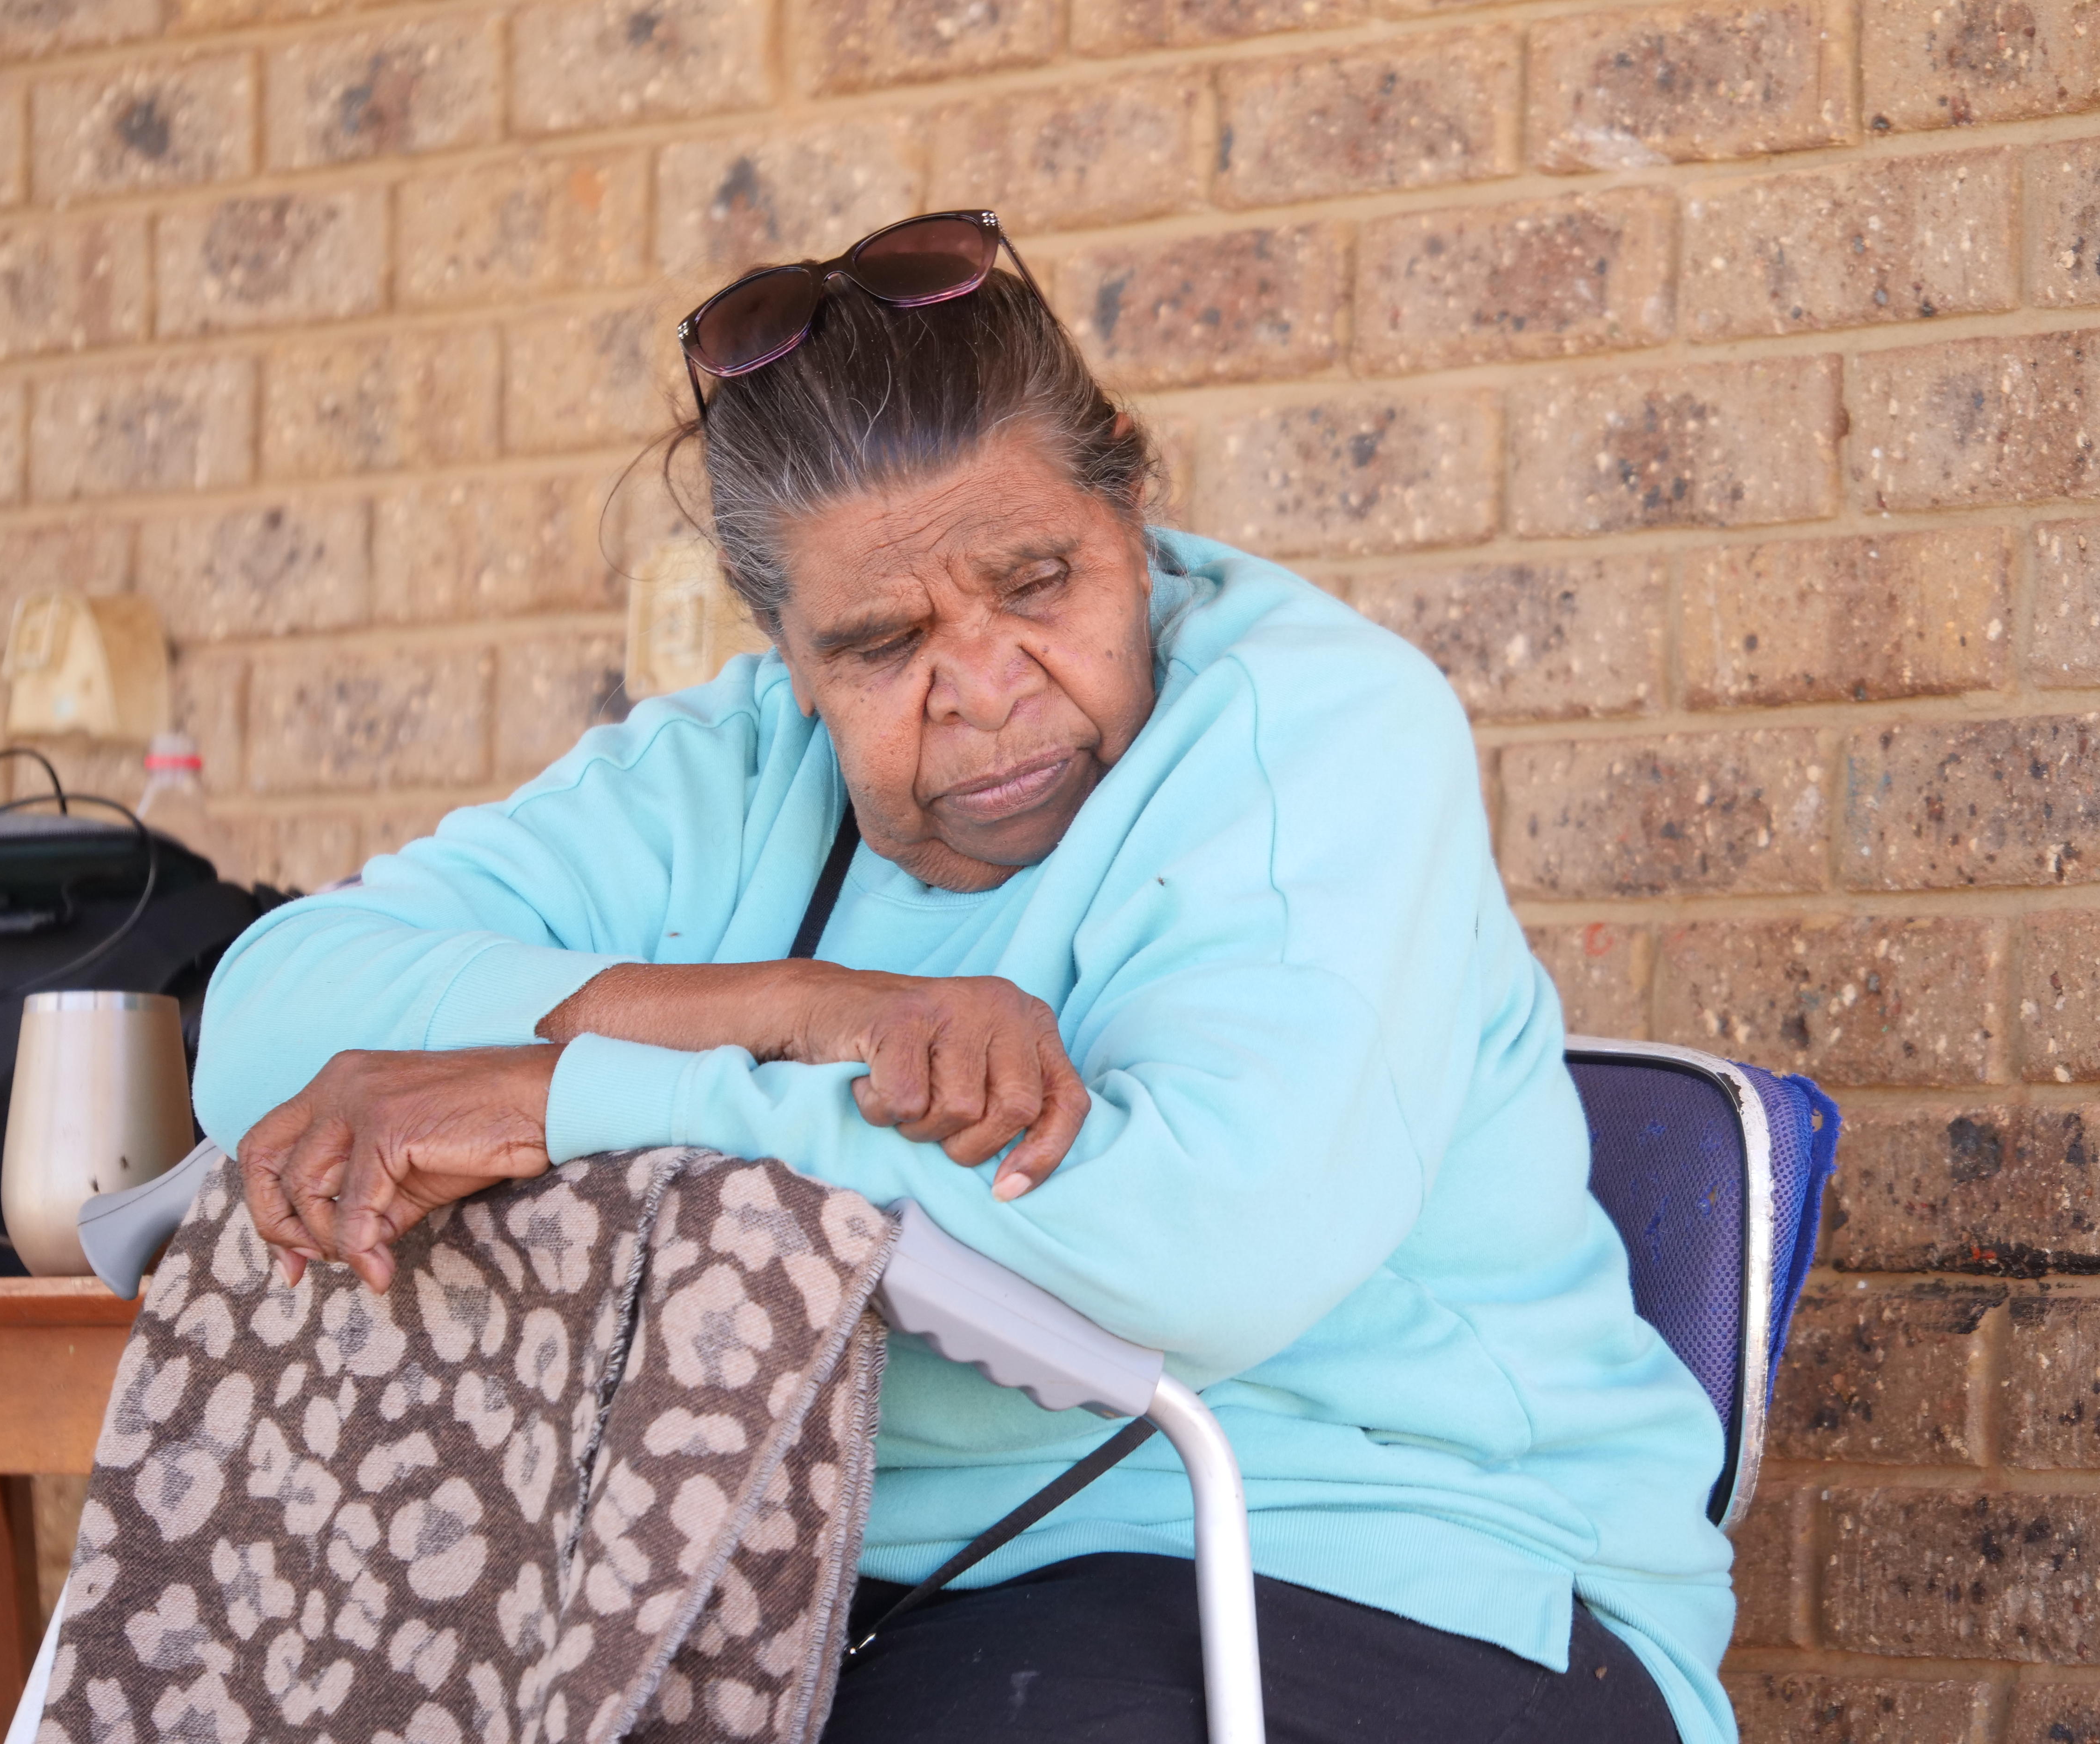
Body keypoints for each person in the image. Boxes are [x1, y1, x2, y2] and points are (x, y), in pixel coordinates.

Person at [191, 209, 1734, 1744]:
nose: (987, 689)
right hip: (806, 1578)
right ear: (782, 646)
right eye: (881, 643)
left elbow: (1197, 1253)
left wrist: (565, 1097)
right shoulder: (727, 772)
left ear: (1133, 499)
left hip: (1386, 1566)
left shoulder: (1317, 729)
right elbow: (268, 1021)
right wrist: (813, 1010)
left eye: (1040, 582)